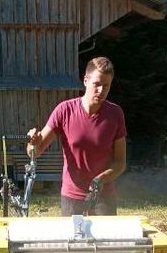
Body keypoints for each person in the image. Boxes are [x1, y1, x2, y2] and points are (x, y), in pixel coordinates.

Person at [26, 56, 126, 215]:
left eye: (106, 86)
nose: (101, 91)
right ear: (86, 81)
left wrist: (100, 179)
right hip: (72, 197)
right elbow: (34, 152)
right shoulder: (64, 110)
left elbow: (120, 162)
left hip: (104, 197)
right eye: (97, 84)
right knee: (72, 240)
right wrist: (33, 142)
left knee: (106, 240)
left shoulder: (115, 114)